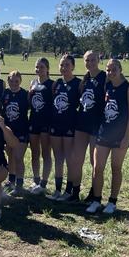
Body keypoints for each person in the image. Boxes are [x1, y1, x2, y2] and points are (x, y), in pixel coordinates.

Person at [86, 59, 129, 214]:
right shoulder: (106, 85)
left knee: (116, 168)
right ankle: (96, 200)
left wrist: (126, 137)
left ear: (120, 69)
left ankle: (112, 202)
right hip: (104, 133)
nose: (110, 72)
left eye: (114, 69)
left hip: (120, 136)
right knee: (97, 167)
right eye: (108, 70)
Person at [64, 50, 106, 203]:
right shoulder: (85, 79)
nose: (90, 63)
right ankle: (75, 191)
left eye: (93, 60)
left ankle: (94, 194)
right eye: (87, 60)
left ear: (98, 60)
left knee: (94, 162)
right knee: (76, 159)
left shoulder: (104, 78)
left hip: (96, 125)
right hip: (81, 124)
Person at [48, 54, 81, 200]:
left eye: (67, 65)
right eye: (62, 65)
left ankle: (69, 191)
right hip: (55, 124)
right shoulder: (56, 84)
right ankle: (57, 190)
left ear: (73, 66)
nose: (64, 67)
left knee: (69, 159)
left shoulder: (79, 83)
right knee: (58, 158)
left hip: (70, 125)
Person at [27, 58, 54, 195]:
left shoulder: (52, 84)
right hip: (33, 121)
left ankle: (43, 183)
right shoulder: (33, 83)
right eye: (37, 67)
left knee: (45, 153)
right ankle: (36, 180)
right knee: (34, 152)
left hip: (46, 122)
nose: (39, 69)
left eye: (42, 67)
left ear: (47, 68)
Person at [1, 70, 30, 195]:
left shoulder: (25, 94)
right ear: (8, 81)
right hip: (8, 130)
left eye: (16, 81)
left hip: (22, 130)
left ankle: (19, 184)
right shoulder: (5, 93)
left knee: (18, 157)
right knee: (10, 155)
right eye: (11, 81)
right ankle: (11, 180)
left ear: (20, 81)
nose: (14, 83)